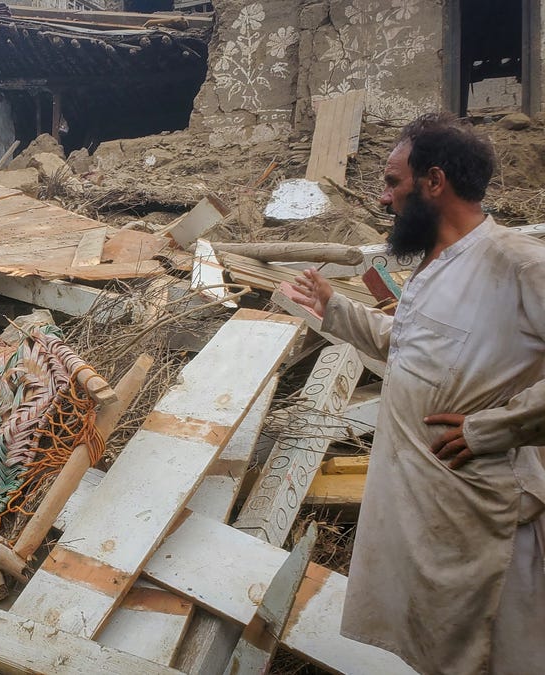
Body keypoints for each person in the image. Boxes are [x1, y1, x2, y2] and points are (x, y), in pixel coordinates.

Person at [289, 113, 545, 674]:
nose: (384, 199)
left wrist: (492, 429)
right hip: (427, 507)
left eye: (392, 182)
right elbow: (412, 349)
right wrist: (335, 309)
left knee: (493, 649)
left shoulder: (518, 262)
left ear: (434, 182)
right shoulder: (435, 264)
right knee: (437, 647)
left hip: (481, 510)